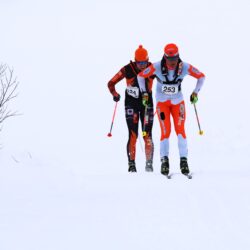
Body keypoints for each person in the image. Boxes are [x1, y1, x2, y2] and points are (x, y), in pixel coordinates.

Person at [138, 43, 205, 176]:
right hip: (162, 103)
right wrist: (144, 92)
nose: (172, 63)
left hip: (177, 102)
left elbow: (201, 76)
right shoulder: (156, 66)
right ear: (165, 57)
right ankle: (164, 161)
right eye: (169, 60)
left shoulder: (184, 66)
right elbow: (141, 76)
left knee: (180, 130)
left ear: (178, 57)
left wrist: (195, 92)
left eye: (174, 59)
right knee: (165, 131)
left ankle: (184, 161)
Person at [107, 45, 155, 172]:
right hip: (131, 104)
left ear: (148, 60)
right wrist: (115, 94)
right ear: (135, 60)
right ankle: (131, 165)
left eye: (144, 62)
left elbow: (165, 80)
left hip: (147, 104)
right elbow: (111, 83)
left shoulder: (152, 68)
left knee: (147, 135)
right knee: (133, 135)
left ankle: (149, 164)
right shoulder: (127, 69)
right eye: (139, 63)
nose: (142, 65)